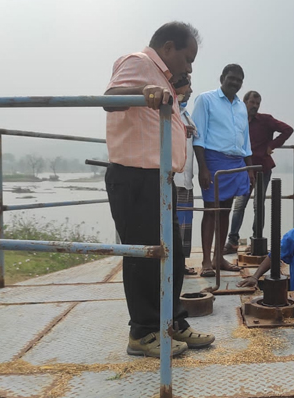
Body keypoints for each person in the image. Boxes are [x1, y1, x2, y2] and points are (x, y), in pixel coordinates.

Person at [104, 21, 214, 358]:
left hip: (158, 179)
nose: (190, 66)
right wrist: (144, 94)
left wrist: (175, 92)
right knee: (143, 257)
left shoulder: (160, 74)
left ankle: (171, 322)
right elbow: (109, 99)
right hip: (134, 177)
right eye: (188, 57)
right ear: (169, 47)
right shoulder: (138, 62)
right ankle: (142, 332)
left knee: (173, 256)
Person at [192, 64, 253, 277]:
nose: (235, 83)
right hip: (213, 160)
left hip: (237, 162)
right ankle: (207, 260)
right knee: (211, 210)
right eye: (231, 78)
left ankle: (219, 257)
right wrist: (203, 168)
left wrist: (249, 167)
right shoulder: (205, 99)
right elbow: (197, 137)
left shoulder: (241, 106)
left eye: (239, 80)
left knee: (225, 210)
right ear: (222, 78)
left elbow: (245, 140)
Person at [224, 91, 294, 254]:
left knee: (258, 205)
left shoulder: (265, 120)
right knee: (239, 205)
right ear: (244, 102)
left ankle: (256, 240)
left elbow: (287, 130)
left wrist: (272, 145)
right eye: (252, 103)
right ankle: (232, 240)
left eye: (257, 103)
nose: (255, 106)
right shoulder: (237, 120)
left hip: (262, 168)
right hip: (243, 169)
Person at [173, 76, 197, 275]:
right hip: (174, 178)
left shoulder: (184, 113)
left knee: (184, 224)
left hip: (186, 179)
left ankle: (180, 264)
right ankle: (173, 265)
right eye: (187, 85)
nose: (190, 90)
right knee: (174, 225)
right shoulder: (170, 111)